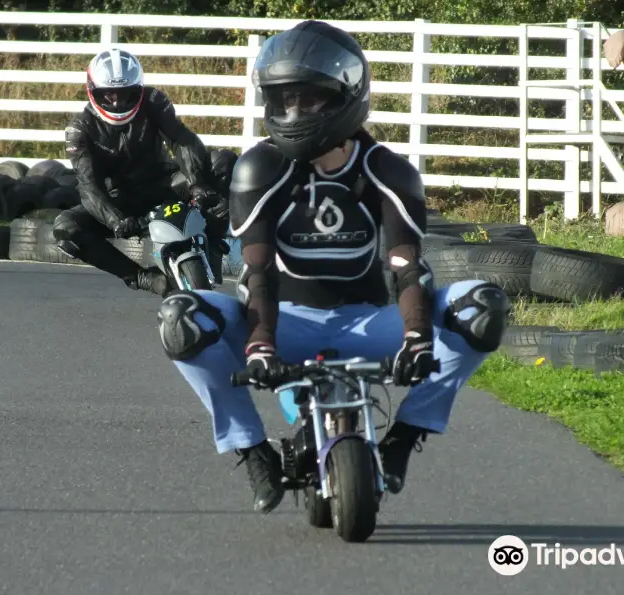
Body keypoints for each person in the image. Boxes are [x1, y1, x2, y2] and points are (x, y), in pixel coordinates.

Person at [155, 20, 512, 513]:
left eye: (310, 99)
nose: (294, 112)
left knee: (481, 307)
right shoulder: (259, 167)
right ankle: (252, 450)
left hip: (368, 322)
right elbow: (257, 271)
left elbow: (407, 265)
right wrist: (259, 347)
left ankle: (404, 439)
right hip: (280, 325)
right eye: (283, 100)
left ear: (348, 93)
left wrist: (416, 339)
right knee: (181, 319)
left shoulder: (388, 169)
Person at [54, 48, 236, 296]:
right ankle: (142, 277)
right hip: (121, 202)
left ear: (138, 89)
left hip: (164, 183)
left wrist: (197, 183)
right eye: (109, 94)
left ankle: (212, 244)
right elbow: (88, 186)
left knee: (222, 161)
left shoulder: (153, 101)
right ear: (93, 91)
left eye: (125, 94)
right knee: (66, 228)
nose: (117, 102)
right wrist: (115, 219)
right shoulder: (79, 129)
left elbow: (182, 140)